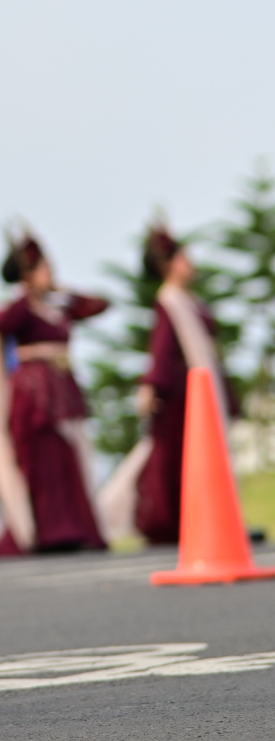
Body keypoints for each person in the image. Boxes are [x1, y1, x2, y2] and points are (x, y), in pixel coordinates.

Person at [0, 228, 108, 554]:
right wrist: (25, 293)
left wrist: (62, 291)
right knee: (40, 460)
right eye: (42, 268)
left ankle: (75, 527)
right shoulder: (23, 309)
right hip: (33, 392)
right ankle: (46, 531)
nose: (49, 273)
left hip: (62, 385)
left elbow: (98, 305)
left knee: (68, 457)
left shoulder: (58, 307)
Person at [134, 223, 231, 545]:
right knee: (175, 457)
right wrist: (153, 385)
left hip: (195, 384)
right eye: (182, 258)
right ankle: (172, 521)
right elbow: (162, 348)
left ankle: (206, 518)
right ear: (167, 265)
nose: (189, 263)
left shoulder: (189, 300)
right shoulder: (169, 300)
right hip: (180, 390)